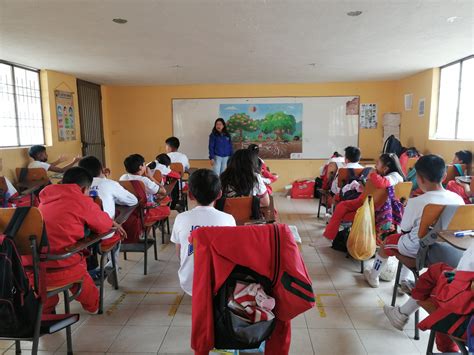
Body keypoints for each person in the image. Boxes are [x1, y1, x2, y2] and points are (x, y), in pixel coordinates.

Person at [364, 155, 465, 288]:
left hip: (419, 250)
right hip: (449, 250)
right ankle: (403, 281)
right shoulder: (458, 199)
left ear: (419, 178)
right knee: (413, 240)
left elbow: (404, 229)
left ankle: (373, 276)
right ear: (444, 176)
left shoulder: (416, 202)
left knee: (387, 244)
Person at [34, 167, 120, 314]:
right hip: (63, 263)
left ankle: (45, 313)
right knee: (81, 278)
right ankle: (93, 307)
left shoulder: (44, 199)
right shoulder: (81, 201)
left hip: (34, 267)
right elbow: (103, 225)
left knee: (46, 289)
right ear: (85, 188)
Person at [383, 242, 474, 353]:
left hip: (466, 323)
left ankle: (402, 313)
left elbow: (451, 298)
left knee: (435, 281)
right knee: (437, 279)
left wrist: (455, 274)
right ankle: (402, 312)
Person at [170, 169, 236, 295]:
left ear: (190, 195)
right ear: (219, 194)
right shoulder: (228, 219)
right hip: (219, 281)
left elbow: (179, 254)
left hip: (189, 282)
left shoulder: (181, 218)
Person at [323, 153, 405, 240]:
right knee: (342, 205)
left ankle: (330, 235)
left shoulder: (395, 176)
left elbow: (381, 183)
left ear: (385, 168)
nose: (375, 166)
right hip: (371, 204)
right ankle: (330, 234)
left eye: (378, 164)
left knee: (341, 206)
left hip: (371, 206)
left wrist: (373, 174)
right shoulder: (392, 175)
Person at [78, 156, 137, 246]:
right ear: (102, 170)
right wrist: (114, 199)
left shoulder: (76, 186)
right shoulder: (109, 183)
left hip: (80, 236)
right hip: (105, 233)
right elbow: (133, 200)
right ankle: (112, 259)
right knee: (117, 235)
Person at [119, 154, 170, 223]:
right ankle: (147, 228)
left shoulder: (122, 177)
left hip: (127, 213)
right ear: (140, 167)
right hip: (143, 213)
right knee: (167, 210)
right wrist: (150, 177)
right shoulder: (144, 180)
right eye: (144, 164)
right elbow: (163, 191)